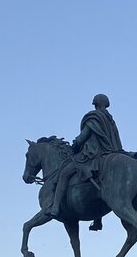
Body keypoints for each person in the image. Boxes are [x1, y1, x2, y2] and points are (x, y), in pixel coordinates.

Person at [45, 94, 130, 226]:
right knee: (100, 181)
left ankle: (55, 206)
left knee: (64, 173)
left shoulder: (93, 117)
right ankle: (97, 219)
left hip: (92, 153)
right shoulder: (110, 119)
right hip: (111, 151)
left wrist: (75, 144)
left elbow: (83, 136)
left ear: (95, 103)